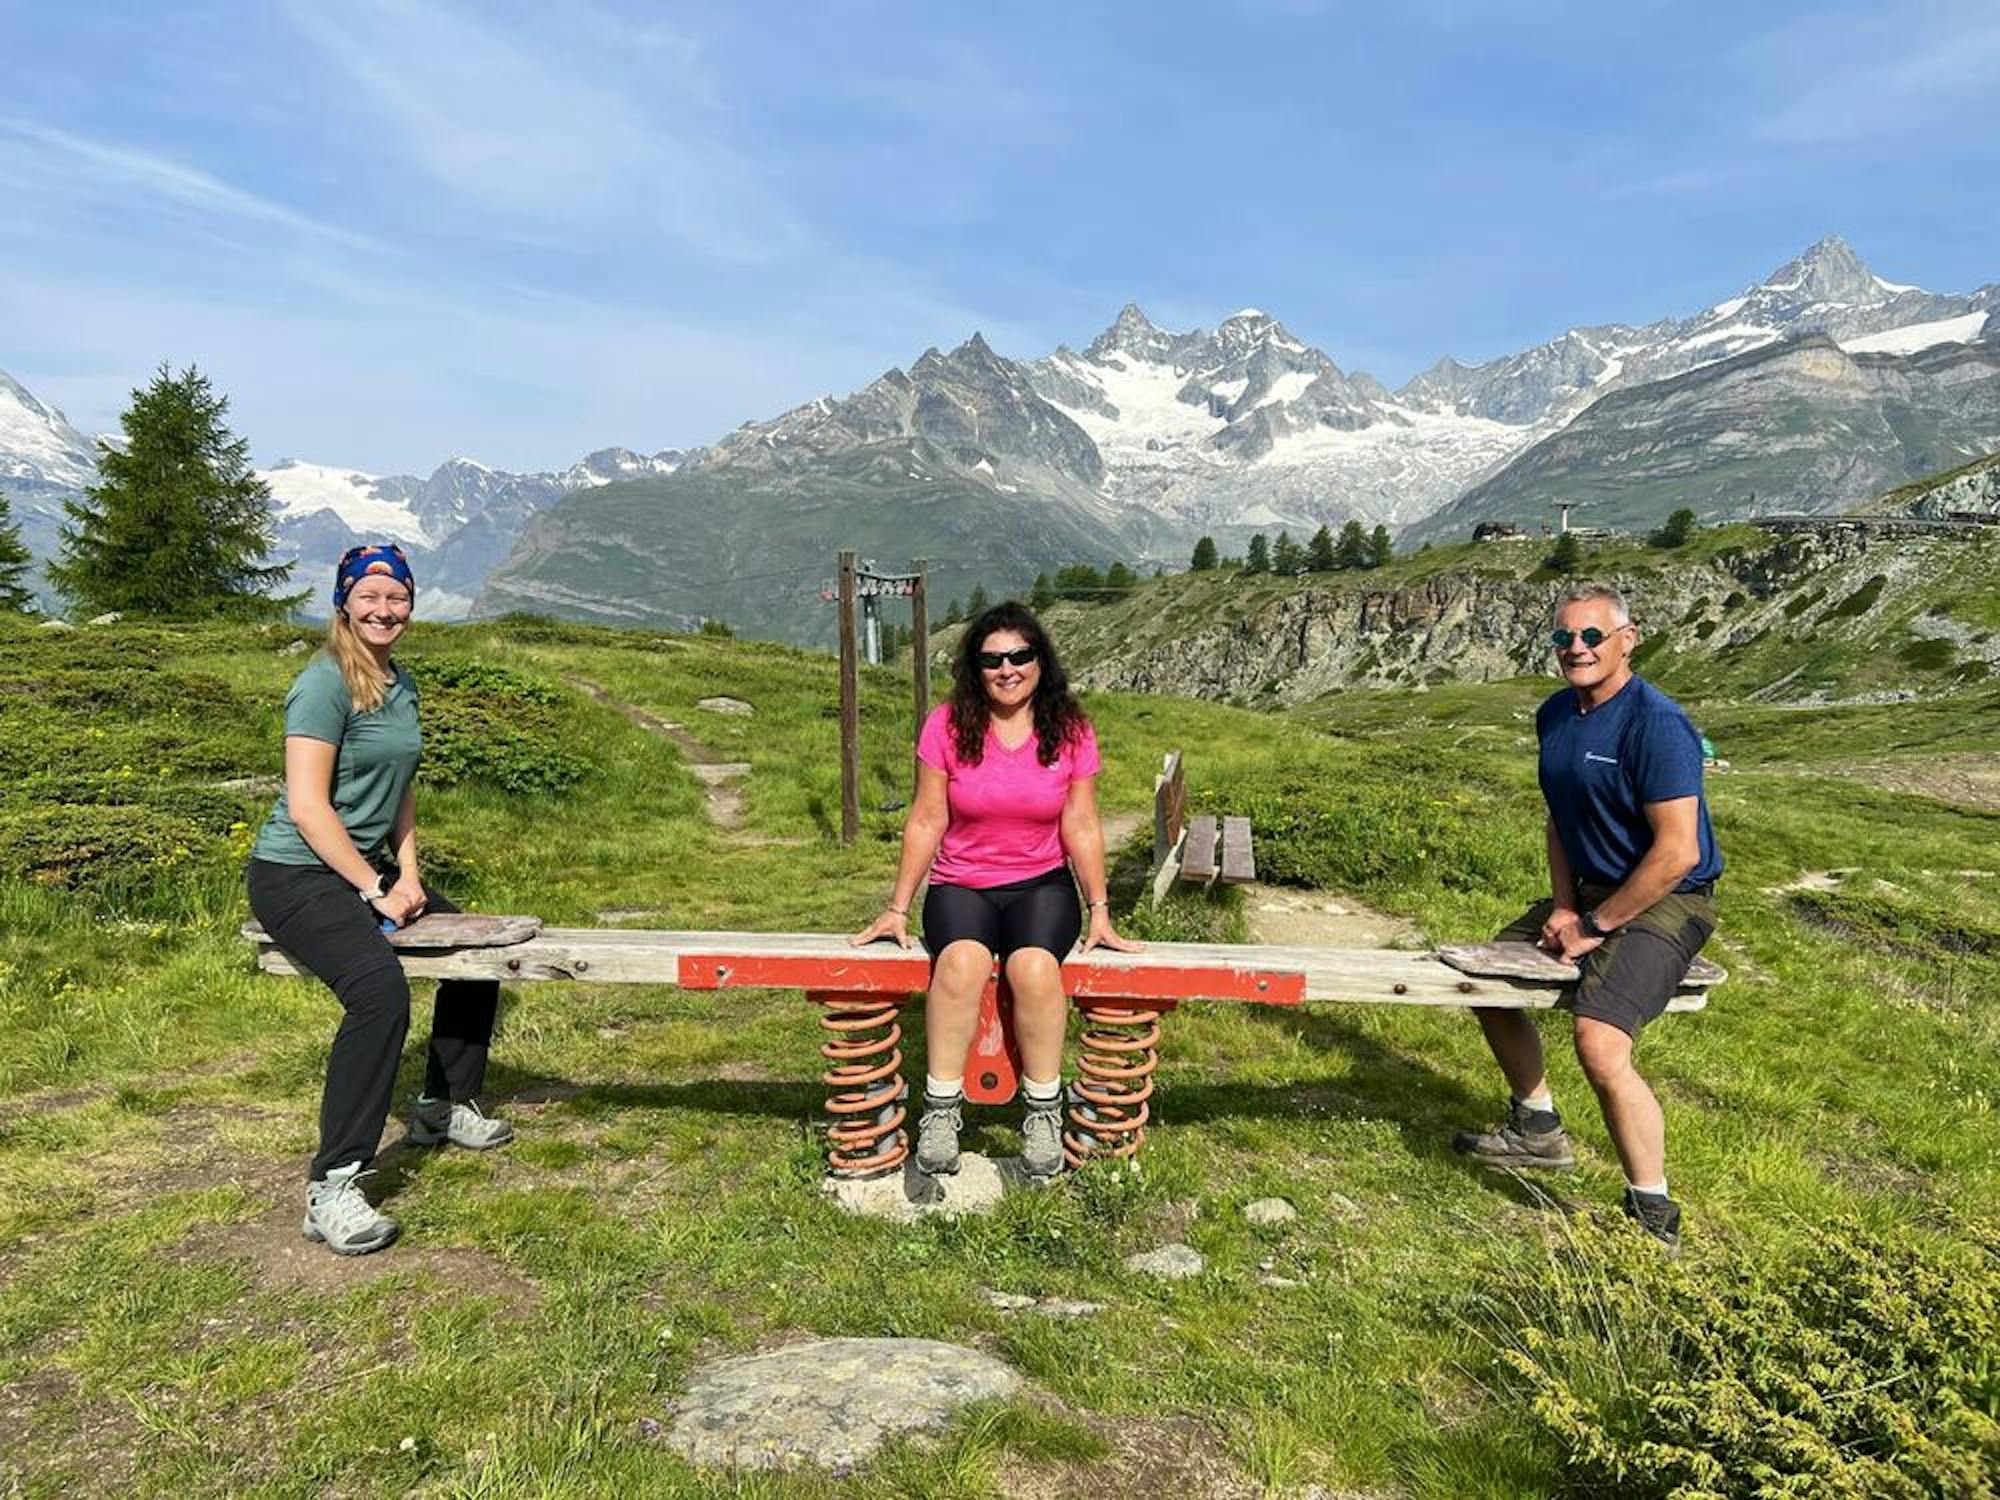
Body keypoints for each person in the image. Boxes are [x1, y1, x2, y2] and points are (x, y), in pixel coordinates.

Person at [246, 544, 512, 1257]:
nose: (384, 609)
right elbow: (308, 808)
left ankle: (442, 1106)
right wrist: (374, 889)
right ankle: (332, 1186)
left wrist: (409, 875)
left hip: (364, 869)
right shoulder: (322, 684)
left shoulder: (400, 682)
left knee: (477, 950)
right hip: (296, 874)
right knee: (378, 993)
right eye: (369, 596)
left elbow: (401, 786)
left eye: (397, 597)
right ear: (344, 603)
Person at [1452, 583, 1722, 1249]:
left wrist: (1596, 927)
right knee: (1486, 982)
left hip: (1668, 897)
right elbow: (1561, 819)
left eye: (1593, 636)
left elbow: (1677, 853)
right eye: (1564, 637)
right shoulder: (1556, 714)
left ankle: (1653, 1213)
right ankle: (1537, 1128)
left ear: (1628, 640)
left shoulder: (1656, 724)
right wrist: (1566, 904)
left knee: (1600, 1043)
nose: (1577, 648)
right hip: (1592, 893)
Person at [851, 600, 1139, 1179]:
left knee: (1034, 968)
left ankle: (1043, 1112)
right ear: (975, 668)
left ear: (1040, 660)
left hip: (1042, 884)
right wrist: (897, 908)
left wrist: (1100, 911)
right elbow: (927, 818)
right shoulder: (947, 726)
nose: (1007, 669)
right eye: (992, 660)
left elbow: (1081, 825)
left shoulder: (1070, 729)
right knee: (960, 962)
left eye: (1019, 656)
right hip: (963, 883)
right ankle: (940, 1109)